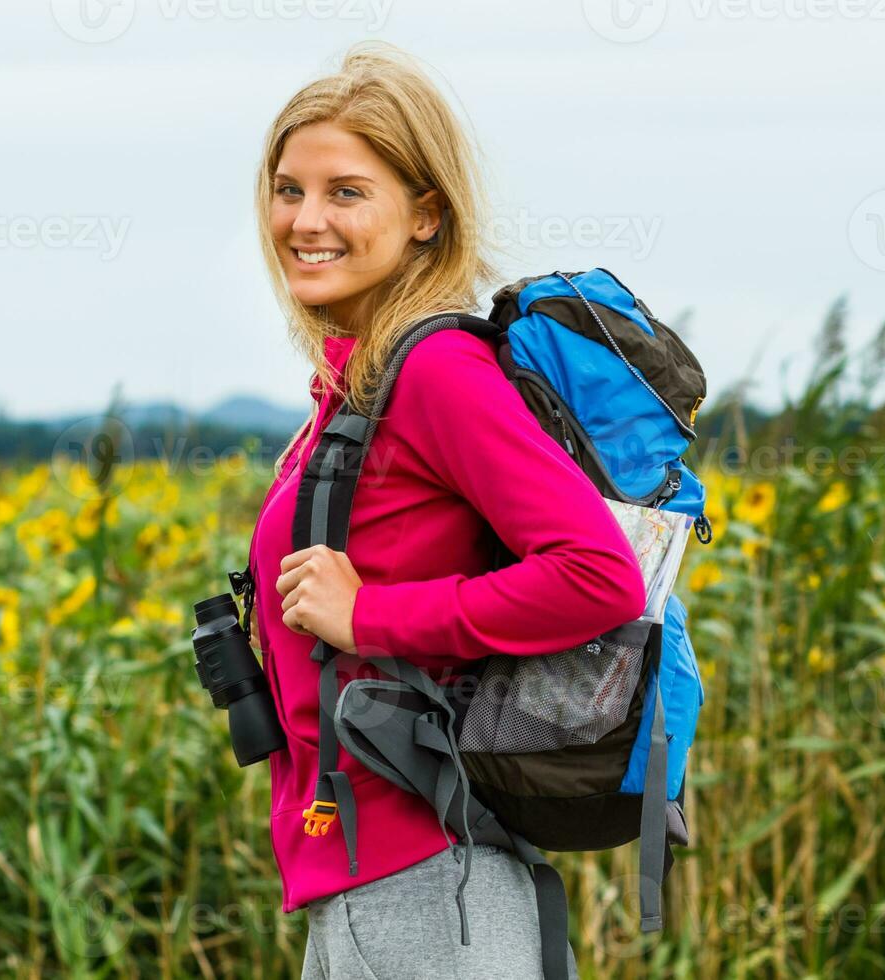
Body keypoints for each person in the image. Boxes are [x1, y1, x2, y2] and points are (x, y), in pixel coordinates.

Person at [246, 41, 647, 980]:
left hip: (428, 882)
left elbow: (596, 576)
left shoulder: (437, 373)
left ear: (426, 215)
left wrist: (368, 614)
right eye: (288, 188)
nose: (306, 220)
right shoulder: (354, 390)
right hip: (366, 876)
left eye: (347, 191)